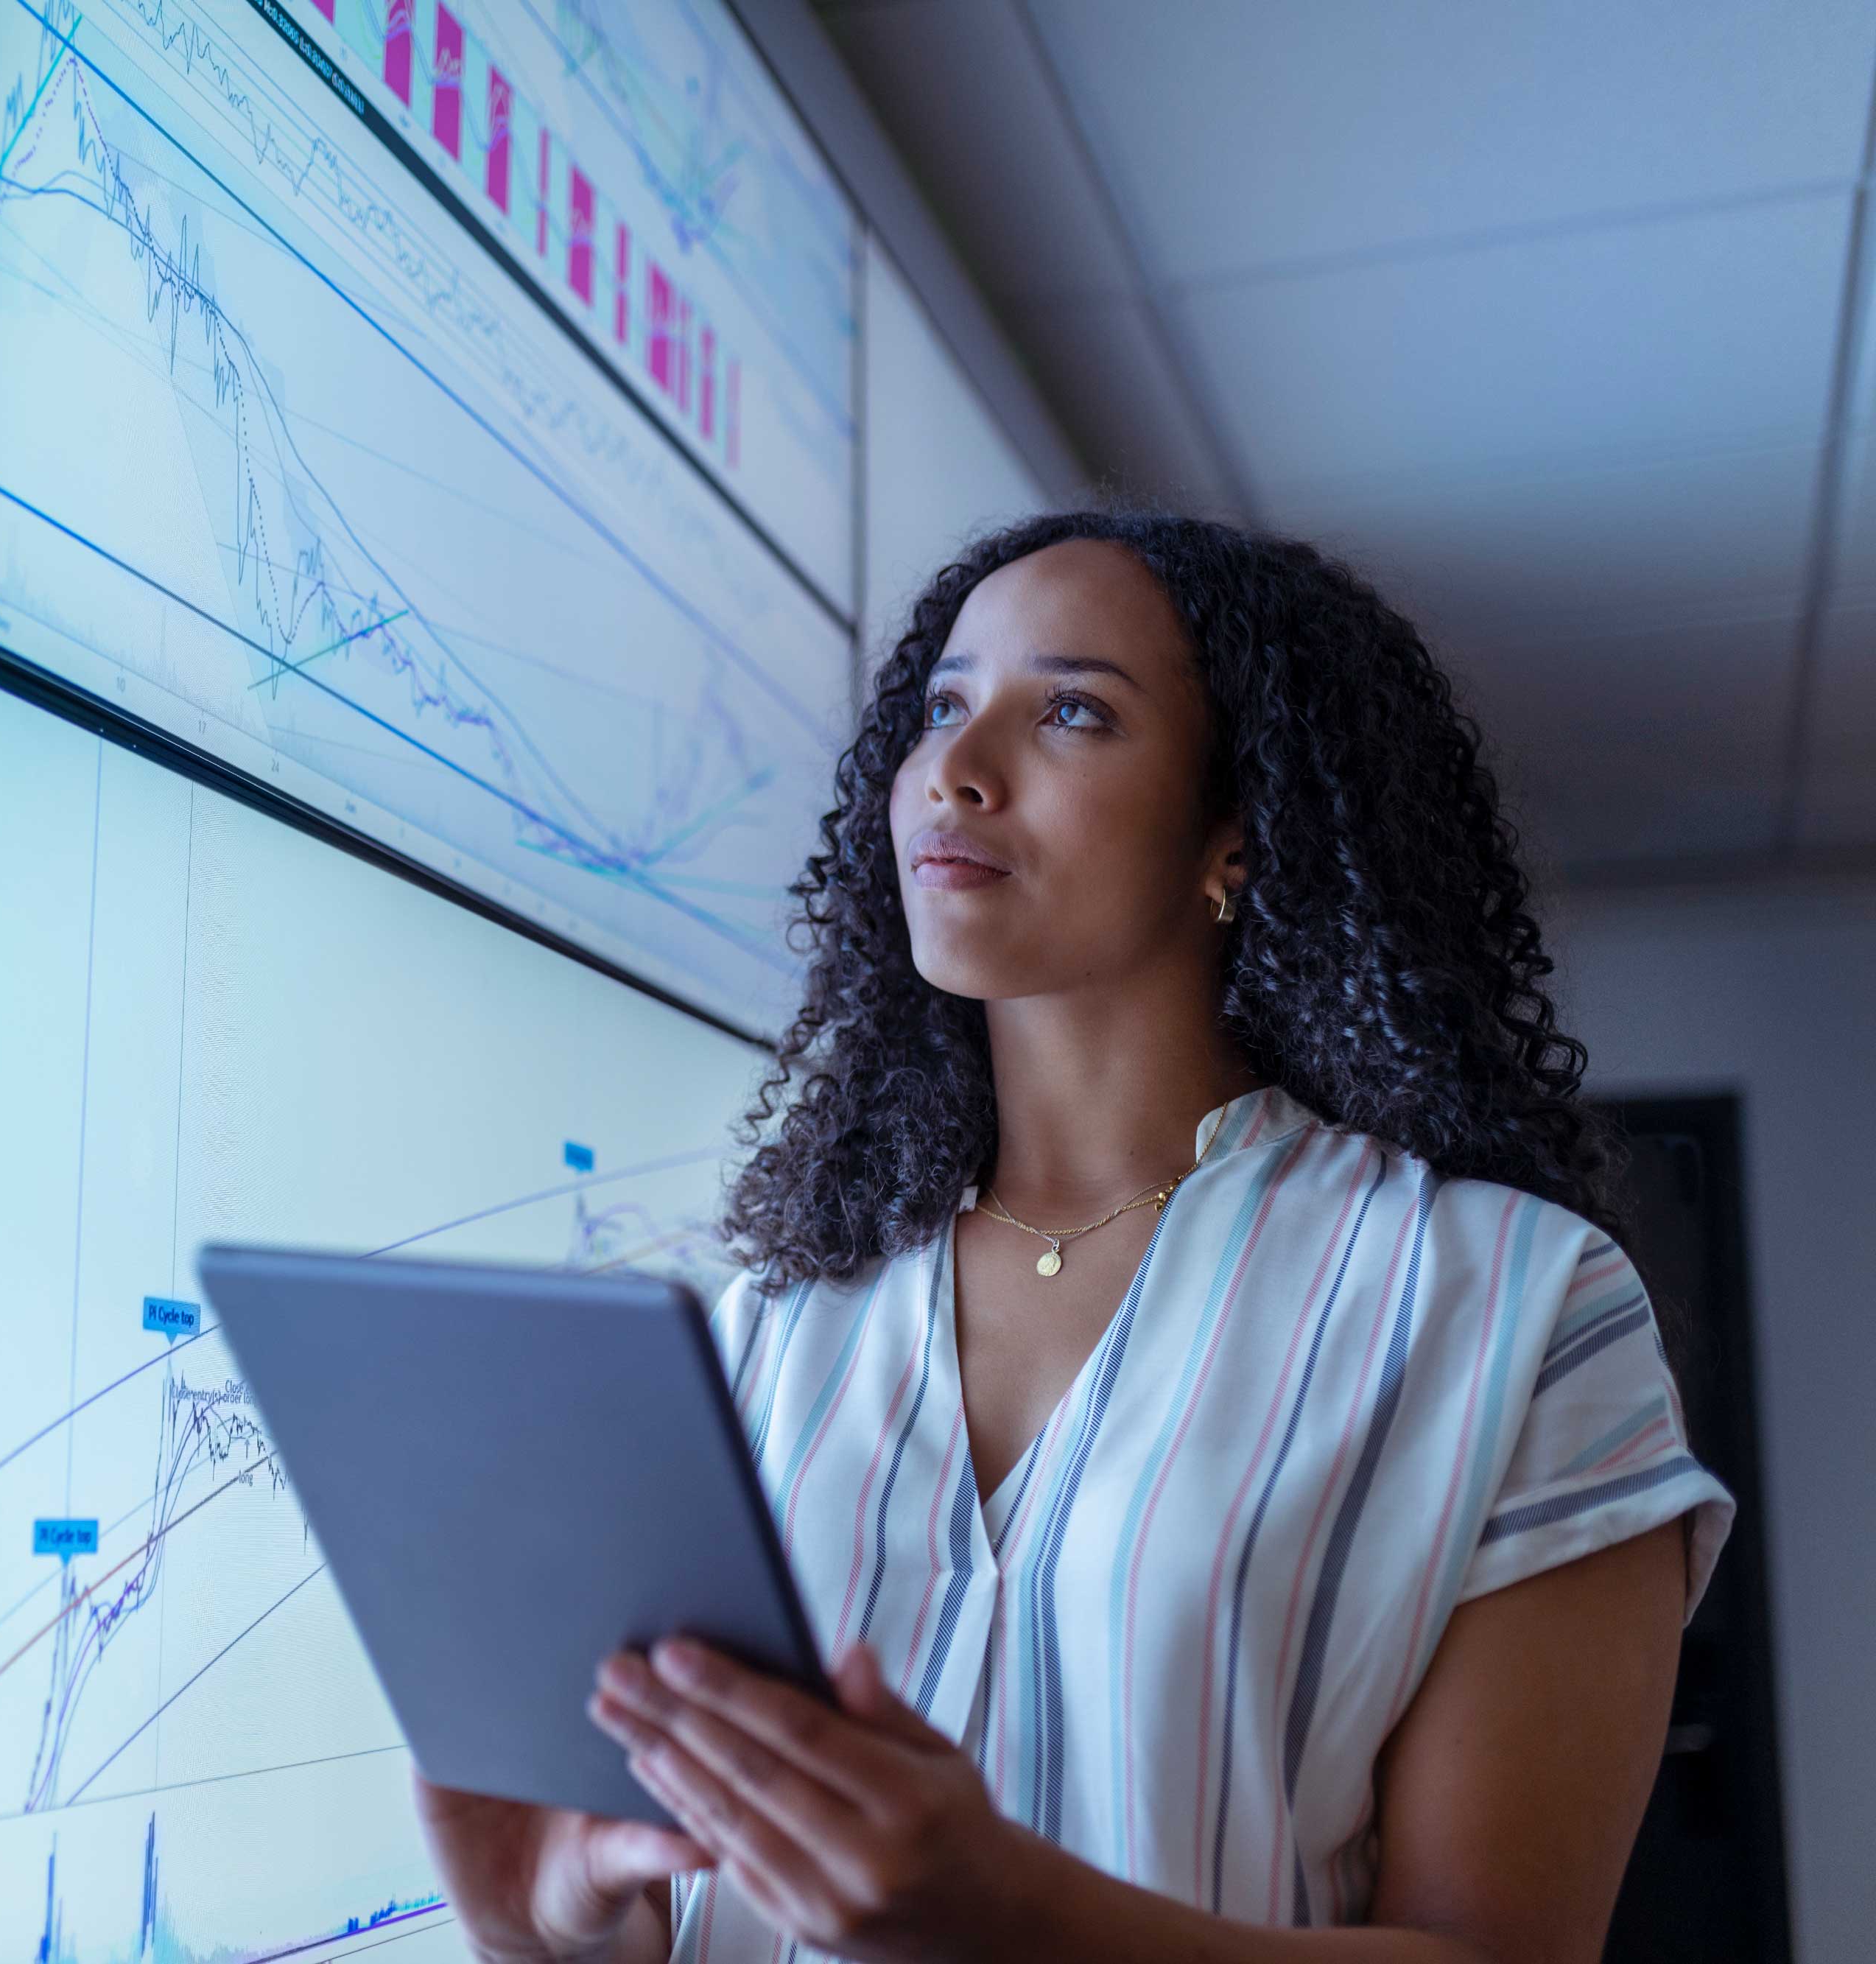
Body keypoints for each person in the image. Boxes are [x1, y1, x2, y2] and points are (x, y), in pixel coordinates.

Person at [411, 512, 1735, 1963]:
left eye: (1068, 711)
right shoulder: (775, 1325)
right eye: (937, 707)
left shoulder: (1513, 1305)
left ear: (1234, 832)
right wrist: (554, 1930)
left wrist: (1013, 1915)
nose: (953, 769)